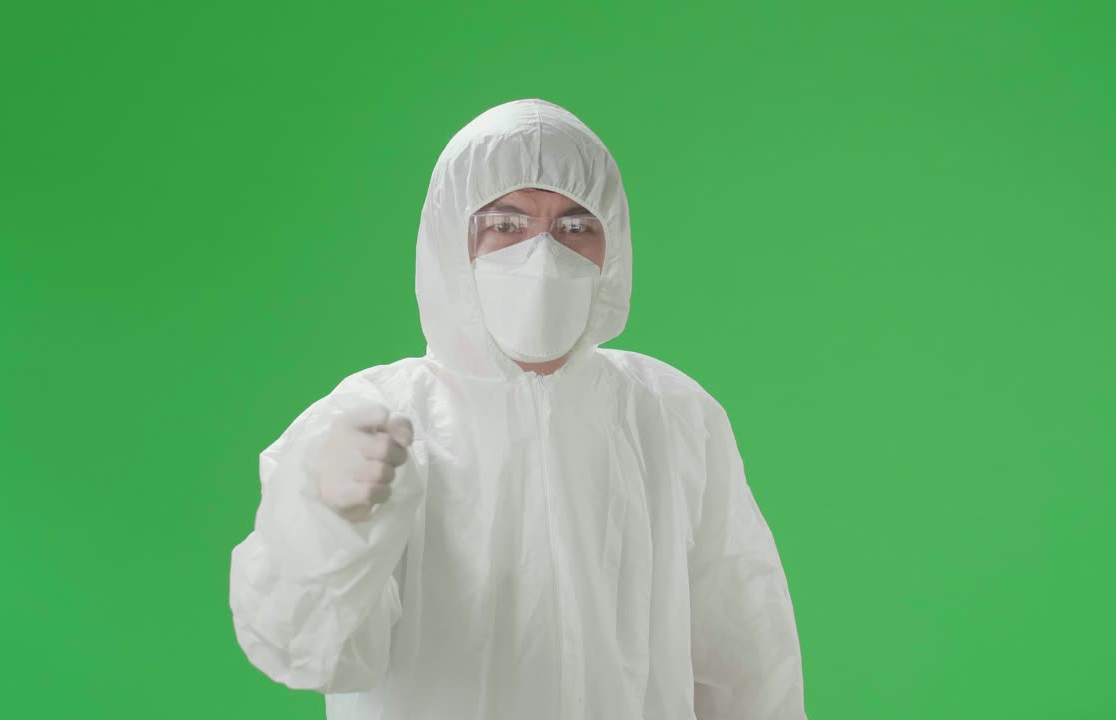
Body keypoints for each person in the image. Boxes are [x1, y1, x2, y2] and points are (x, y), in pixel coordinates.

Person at [228, 98, 808, 719]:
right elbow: (306, 652)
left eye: (574, 226)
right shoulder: (377, 419)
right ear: (453, 240)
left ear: (610, 246)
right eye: (505, 226)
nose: (542, 254)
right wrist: (330, 519)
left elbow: (746, 659)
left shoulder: (671, 417)